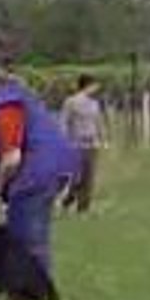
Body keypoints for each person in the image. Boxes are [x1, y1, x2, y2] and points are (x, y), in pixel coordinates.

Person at [0, 61, 79, 275]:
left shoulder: (4, 104)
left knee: (28, 233)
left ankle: (37, 295)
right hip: (31, 171)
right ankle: (23, 290)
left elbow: (11, 158)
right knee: (18, 230)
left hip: (40, 170)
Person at [60, 74, 108, 213]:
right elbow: (64, 121)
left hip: (92, 143)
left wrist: (102, 138)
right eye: (94, 85)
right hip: (76, 143)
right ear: (87, 85)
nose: (97, 88)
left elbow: (97, 122)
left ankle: (83, 208)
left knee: (89, 176)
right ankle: (68, 199)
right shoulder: (71, 102)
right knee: (77, 177)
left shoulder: (94, 104)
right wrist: (65, 141)